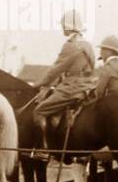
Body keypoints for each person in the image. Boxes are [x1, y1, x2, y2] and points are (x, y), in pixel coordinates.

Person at [33, 9, 96, 147]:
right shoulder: (88, 45)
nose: (61, 28)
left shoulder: (70, 46)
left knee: (39, 110)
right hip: (88, 88)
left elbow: (56, 69)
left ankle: (43, 148)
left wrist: (39, 84)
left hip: (71, 89)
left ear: (68, 27)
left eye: (63, 25)